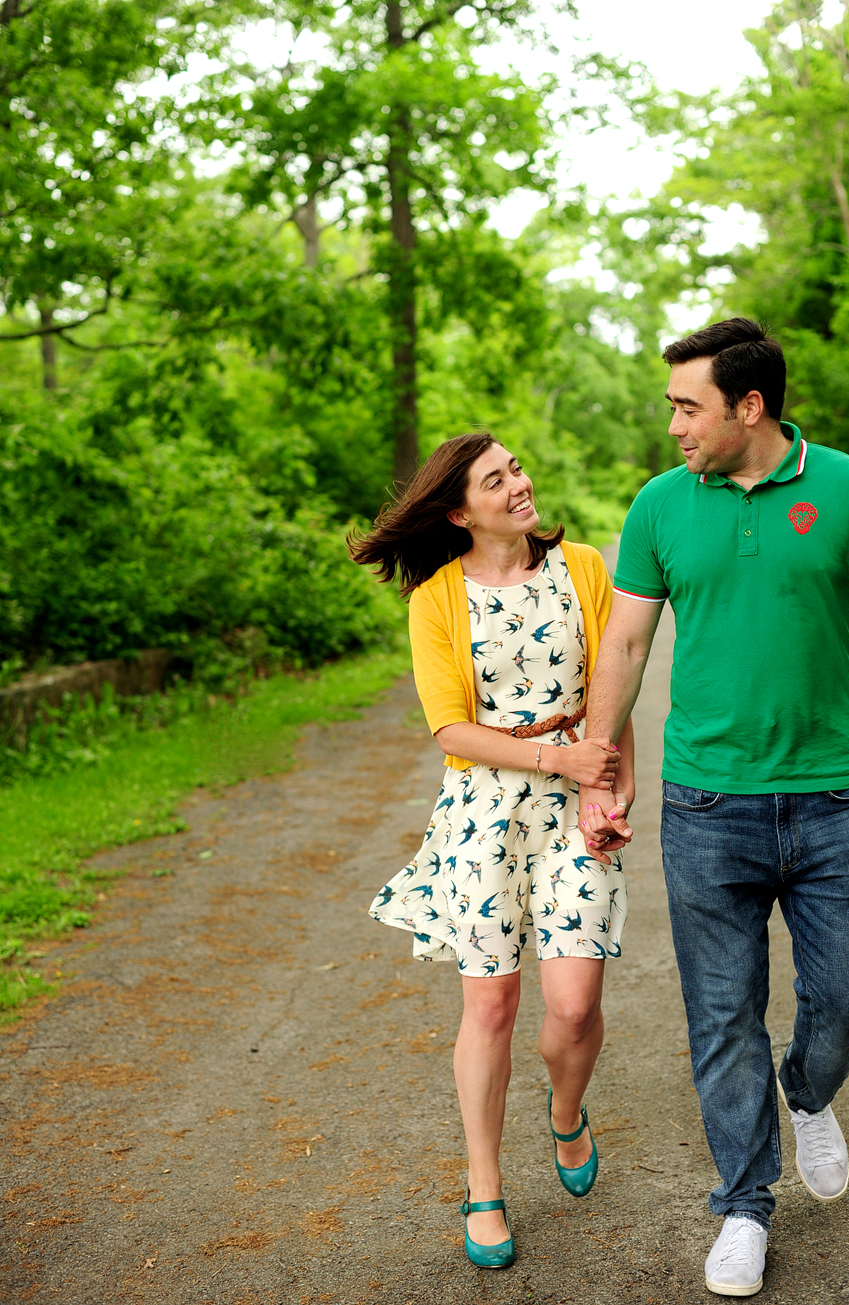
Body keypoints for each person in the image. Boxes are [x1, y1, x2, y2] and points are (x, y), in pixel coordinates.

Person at [580, 318, 849, 1297]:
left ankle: (805, 1090)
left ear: (748, 406)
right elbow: (628, 647)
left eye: (688, 406)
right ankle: (745, 1207)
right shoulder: (661, 505)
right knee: (722, 1014)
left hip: (832, 795)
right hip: (709, 800)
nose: (673, 424)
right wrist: (598, 772)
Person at [349, 432, 634, 1269]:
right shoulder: (436, 598)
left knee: (574, 1005)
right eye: (495, 478)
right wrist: (556, 756)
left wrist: (613, 790)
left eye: (516, 469)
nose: (519, 484)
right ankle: (484, 1183)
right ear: (458, 508)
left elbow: (614, 686)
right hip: (484, 812)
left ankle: (566, 1109)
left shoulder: (582, 565)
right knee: (493, 1005)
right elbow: (449, 726)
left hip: (578, 804)